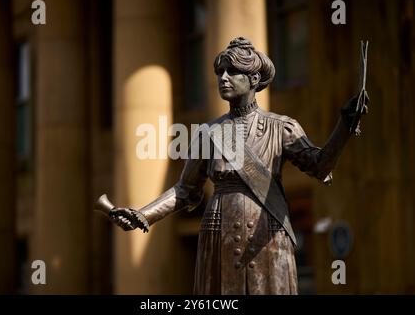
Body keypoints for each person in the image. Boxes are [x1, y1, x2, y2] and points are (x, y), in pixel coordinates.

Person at [109, 37, 368, 294]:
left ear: (254, 79)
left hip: (267, 228)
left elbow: (320, 165)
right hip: (218, 228)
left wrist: (345, 125)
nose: (223, 77)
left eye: (232, 71)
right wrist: (144, 214)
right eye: (220, 71)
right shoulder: (208, 134)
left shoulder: (281, 127)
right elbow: (185, 190)